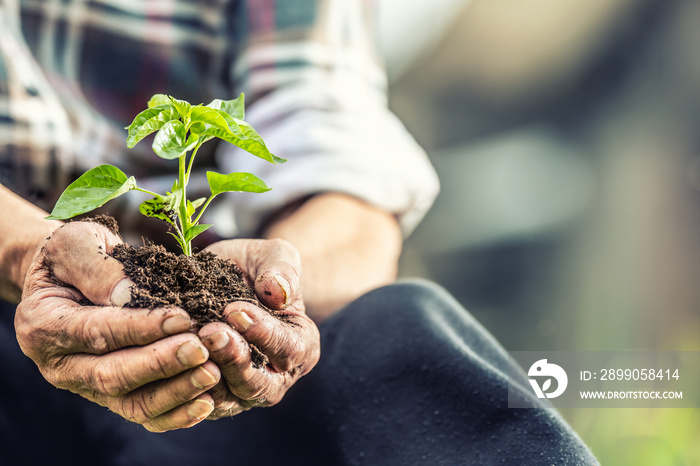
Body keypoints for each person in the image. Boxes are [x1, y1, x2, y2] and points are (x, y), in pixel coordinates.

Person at [0, 0, 598, 464]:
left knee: (403, 335)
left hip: (216, 354)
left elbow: (343, 164)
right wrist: (31, 253)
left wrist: (264, 296)